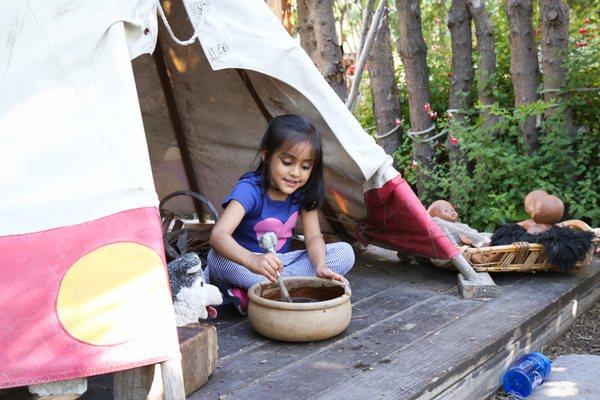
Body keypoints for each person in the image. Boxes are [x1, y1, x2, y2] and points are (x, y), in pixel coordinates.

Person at [207, 114, 355, 314]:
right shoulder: (250, 190)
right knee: (217, 259)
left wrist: (320, 267)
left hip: (280, 267)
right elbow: (218, 235)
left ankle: (262, 293)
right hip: (246, 264)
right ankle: (288, 288)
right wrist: (252, 260)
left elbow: (313, 237)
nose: (296, 173)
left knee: (345, 252)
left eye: (305, 167)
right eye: (287, 162)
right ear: (266, 155)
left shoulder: (302, 192)